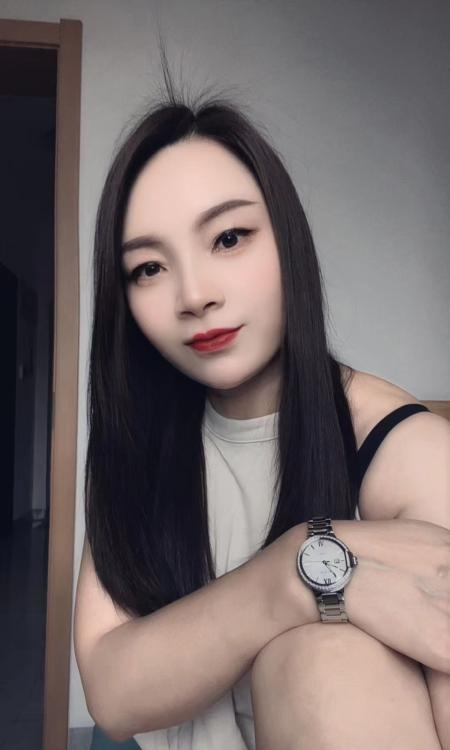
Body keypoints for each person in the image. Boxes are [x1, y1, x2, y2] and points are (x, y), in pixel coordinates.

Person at [74, 59, 450, 750]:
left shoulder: (404, 448)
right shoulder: (139, 446)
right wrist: (292, 574)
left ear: (288, 238)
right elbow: (110, 691)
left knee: (318, 655)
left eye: (229, 238)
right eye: (149, 267)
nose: (195, 295)